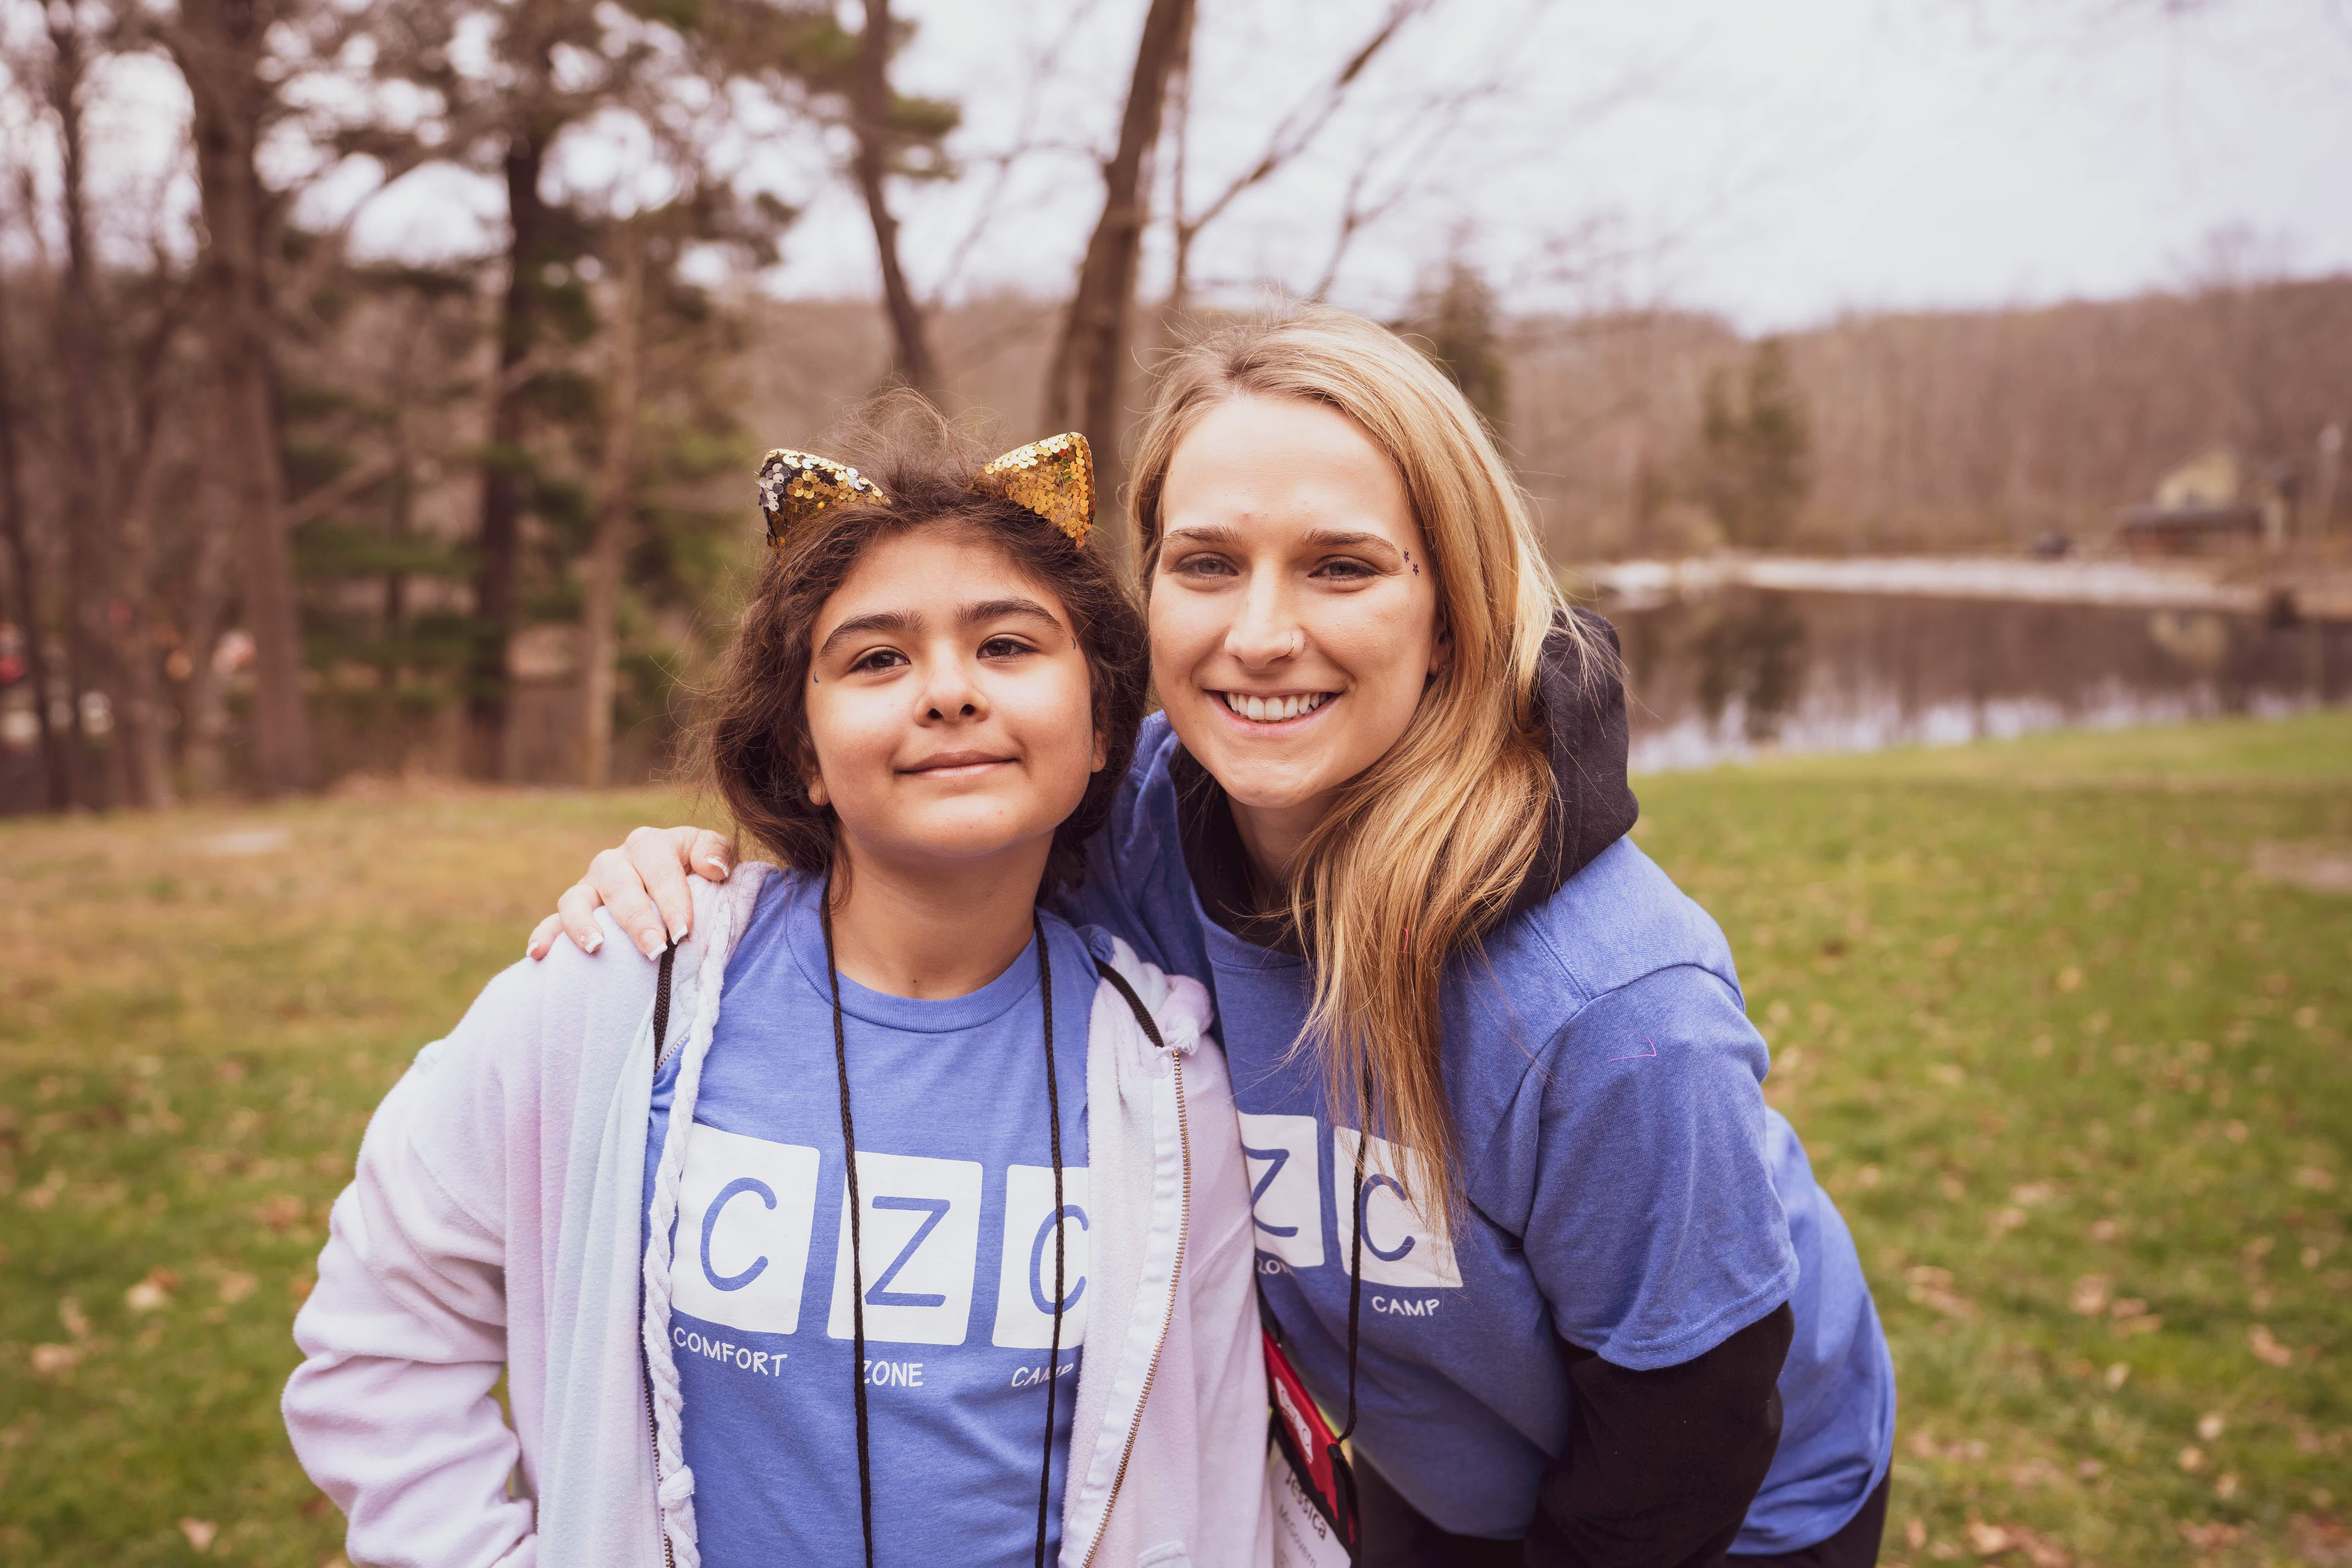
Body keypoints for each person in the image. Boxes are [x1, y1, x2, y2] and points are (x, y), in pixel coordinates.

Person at [533, 307, 1898, 1568]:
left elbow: (1696, 1421)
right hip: (1437, 1475)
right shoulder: (1117, 827)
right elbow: (911, 841)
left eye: (1342, 567)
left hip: (1729, 1502)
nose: (1260, 634)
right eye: (1206, 564)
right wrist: (716, 883)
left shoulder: (1608, 1002)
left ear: (1451, 615)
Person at [286, 423, 1275, 1568]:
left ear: (1104, 723)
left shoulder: (1164, 1073)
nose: (948, 693)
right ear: (803, 750)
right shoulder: (620, 989)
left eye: (1007, 645)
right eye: (875, 660)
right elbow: (381, 1336)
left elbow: (1210, 1488)